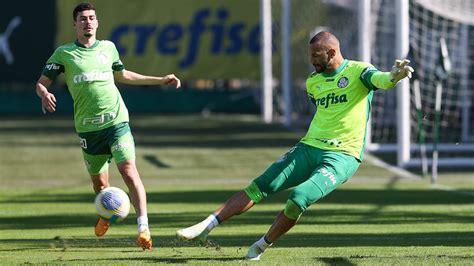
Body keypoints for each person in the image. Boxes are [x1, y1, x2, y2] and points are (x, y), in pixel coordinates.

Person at [176, 31, 414, 260]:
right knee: (261, 185)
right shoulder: (313, 82)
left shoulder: (359, 71)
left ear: (332, 52)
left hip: (343, 155)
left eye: (315, 56)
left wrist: (394, 76)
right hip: (308, 147)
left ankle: (262, 244)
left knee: (299, 197)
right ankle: (206, 226)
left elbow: (380, 80)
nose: (311, 61)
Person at [36, 3, 181, 251]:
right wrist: (43, 92)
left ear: (97, 22)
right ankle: (105, 213)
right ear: (75, 24)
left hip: (116, 121)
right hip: (88, 130)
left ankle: (143, 228)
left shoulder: (108, 48)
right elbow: (41, 83)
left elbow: (123, 75)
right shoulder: (64, 53)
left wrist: (159, 80)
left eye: (92, 18)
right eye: (82, 19)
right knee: (101, 186)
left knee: (128, 169)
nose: (88, 22)